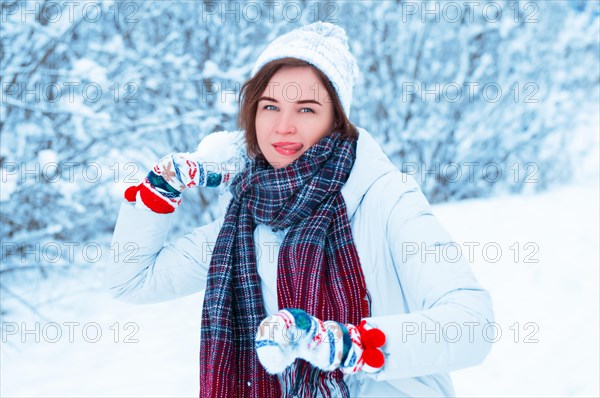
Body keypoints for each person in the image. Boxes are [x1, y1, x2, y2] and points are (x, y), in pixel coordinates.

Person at [107, 21, 494, 397]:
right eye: (270, 106)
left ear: (335, 120)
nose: (283, 127)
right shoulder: (245, 221)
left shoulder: (386, 198)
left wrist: (344, 344)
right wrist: (161, 189)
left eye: (306, 109)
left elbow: (471, 324)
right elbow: (133, 281)